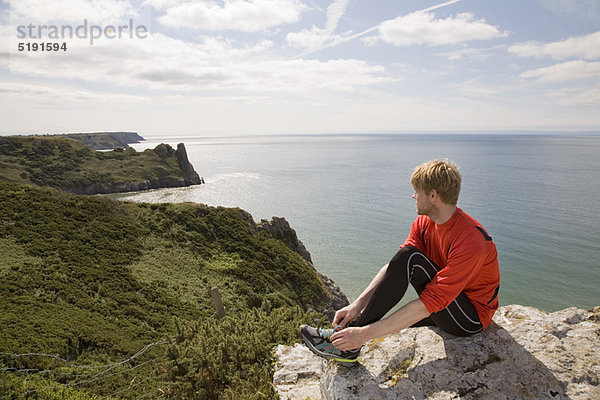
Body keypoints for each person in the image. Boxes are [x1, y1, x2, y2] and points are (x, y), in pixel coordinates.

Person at [301, 159, 500, 365]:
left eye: (418, 191)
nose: (413, 196)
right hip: (447, 304)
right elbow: (395, 267)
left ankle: (352, 344)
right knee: (407, 258)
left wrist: (362, 334)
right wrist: (357, 306)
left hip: (470, 319)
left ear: (433, 196)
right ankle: (344, 338)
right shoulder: (425, 222)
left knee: (410, 258)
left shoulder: (471, 241)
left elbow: (431, 301)